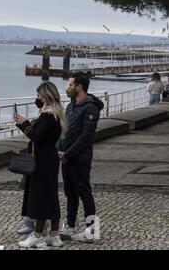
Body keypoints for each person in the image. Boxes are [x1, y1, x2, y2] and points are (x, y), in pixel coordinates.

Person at [14, 82, 66, 248]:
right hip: (49, 158)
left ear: (46, 96)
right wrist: (26, 123)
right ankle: (54, 235)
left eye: (38, 96)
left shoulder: (48, 115)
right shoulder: (56, 114)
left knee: (41, 197)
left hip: (43, 160)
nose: (37, 99)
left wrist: (24, 124)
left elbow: (37, 137)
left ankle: (37, 235)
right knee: (51, 196)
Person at [58, 72, 103, 243]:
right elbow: (63, 132)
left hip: (80, 159)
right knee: (70, 193)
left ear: (79, 87)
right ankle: (70, 225)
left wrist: (67, 154)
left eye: (70, 84)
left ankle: (91, 231)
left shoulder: (90, 108)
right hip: (66, 158)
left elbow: (86, 137)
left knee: (85, 193)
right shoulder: (71, 106)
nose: (68, 87)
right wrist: (59, 151)